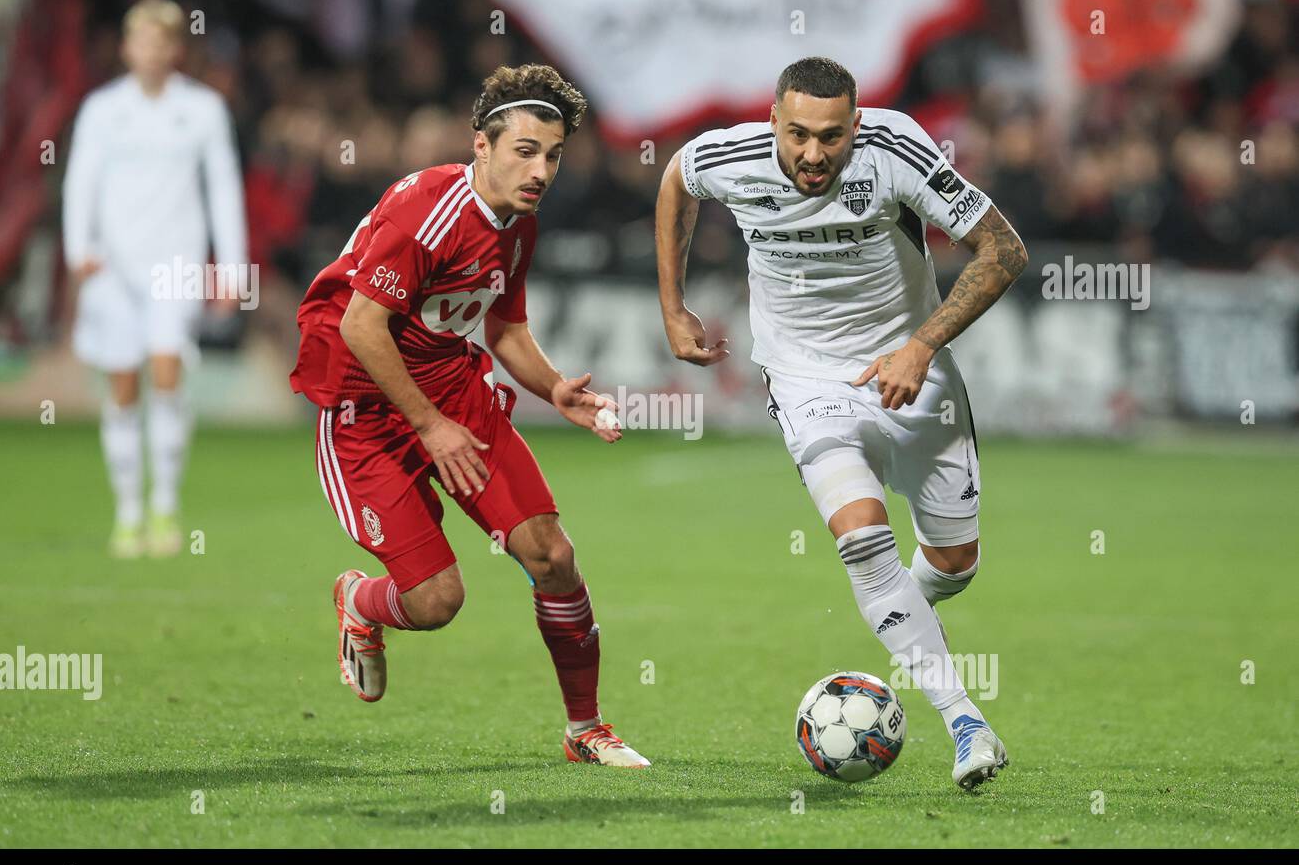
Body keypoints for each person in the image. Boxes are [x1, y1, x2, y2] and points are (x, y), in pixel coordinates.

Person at [655, 56, 1028, 790]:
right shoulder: (728, 156)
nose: (813, 154)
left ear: (857, 126)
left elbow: (1004, 249)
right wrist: (672, 307)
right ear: (772, 122)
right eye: (797, 135)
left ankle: (898, 617)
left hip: (912, 376)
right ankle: (965, 721)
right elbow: (676, 180)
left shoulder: (896, 150)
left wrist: (921, 345)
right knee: (862, 539)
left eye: (831, 137)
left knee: (954, 565)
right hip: (804, 378)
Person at [290, 63, 649, 768]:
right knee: (435, 602)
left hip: (454, 392)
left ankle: (585, 729)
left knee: (553, 555)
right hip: (366, 410)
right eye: (524, 150)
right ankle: (361, 602)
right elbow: (364, 327)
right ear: (480, 147)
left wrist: (556, 390)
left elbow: (506, 330)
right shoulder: (424, 210)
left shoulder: (518, 223)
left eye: (552, 155)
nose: (541, 169)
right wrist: (429, 424)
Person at [63, 0, 247, 558]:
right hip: (113, 270)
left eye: (161, 41)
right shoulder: (101, 109)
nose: (150, 50)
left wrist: (232, 268)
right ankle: (127, 513)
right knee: (122, 388)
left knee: (166, 374)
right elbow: (80, 181)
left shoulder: (204, 110)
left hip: (176, 266)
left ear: (174, 48)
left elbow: (222, 188)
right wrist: (78, 251)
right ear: (126, 47)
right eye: (140, 40)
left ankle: (165, 505)